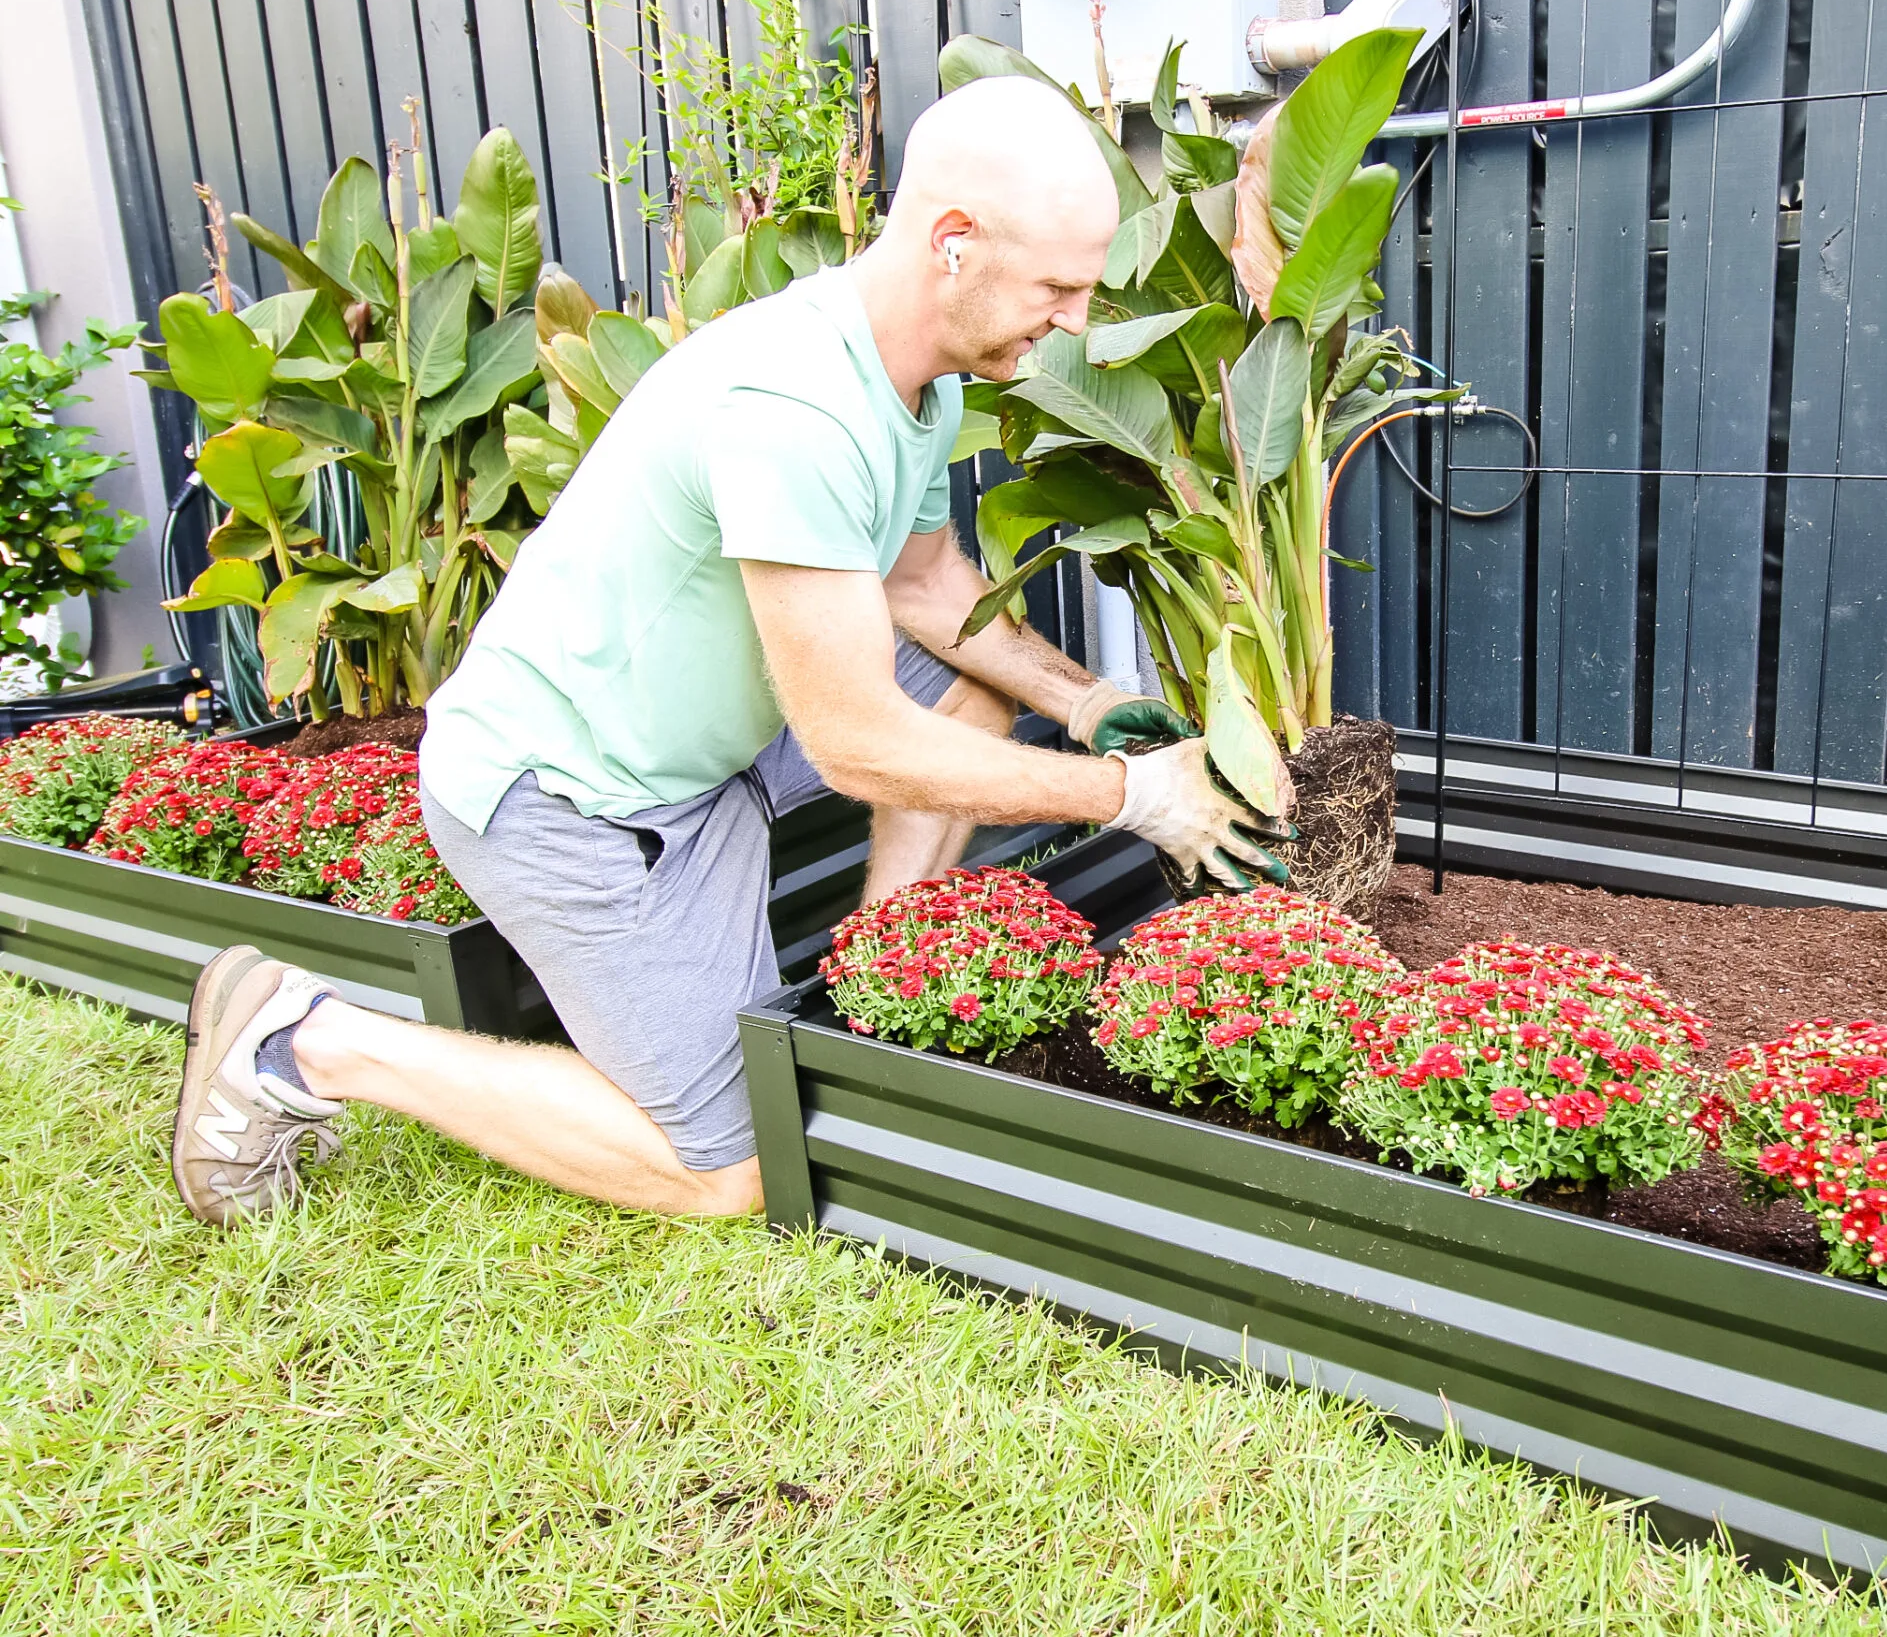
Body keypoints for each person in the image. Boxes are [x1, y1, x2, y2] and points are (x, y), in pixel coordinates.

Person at [167, 77, 1289, 1229]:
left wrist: (1093, 701)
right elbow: (853, 743)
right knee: (731, 1169)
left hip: (710, 746)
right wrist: (1132, 795)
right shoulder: (793, 409)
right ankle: (306, 1040)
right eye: (1057, 287)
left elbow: (923, 586)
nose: (1071, 318)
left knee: (969, 686)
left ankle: (863, 983)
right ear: (954, 243)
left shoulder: (916, 380)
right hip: (571, 798)